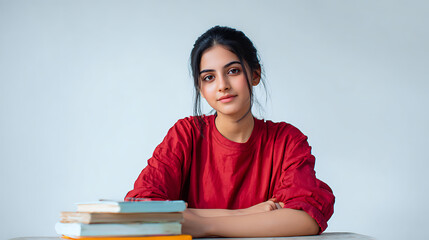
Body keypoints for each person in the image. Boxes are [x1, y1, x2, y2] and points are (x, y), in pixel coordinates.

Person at [125, 26, 335, 237]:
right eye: (209, 77)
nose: (222, 85)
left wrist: (201, 225)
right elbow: (142, 210)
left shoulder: (286, 140)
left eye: (233, 71)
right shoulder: (185, 135)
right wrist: (244, 214)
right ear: (200, 88)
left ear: (255, 75)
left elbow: (306, 219)